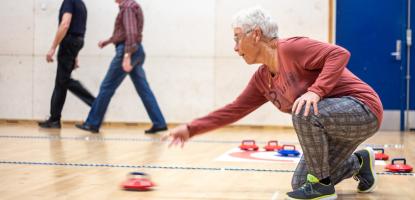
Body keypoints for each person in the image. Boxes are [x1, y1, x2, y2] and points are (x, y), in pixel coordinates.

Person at [162, 7, 383, 200]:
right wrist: (190, 129)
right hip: (330, 125)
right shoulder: (262, 79)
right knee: (300, 183)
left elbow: (338, 54)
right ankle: (359, 163)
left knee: (304, 112)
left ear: (256, 34)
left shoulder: (291, 48)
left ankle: (323, 187)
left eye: (237, 37)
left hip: (363, 109)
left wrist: (316, 91)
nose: (235, 47)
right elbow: (233, 110)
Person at [75, 0, 167, 134]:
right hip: (136, 50)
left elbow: (131, 33)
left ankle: (92, 123)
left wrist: (126, 56)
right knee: (144, 89)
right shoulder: (130, 6)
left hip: (128, 51)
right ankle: (159, 122)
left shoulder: (128, 8)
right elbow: (123, 33)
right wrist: (107, 42)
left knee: (107, 87)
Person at [39, 0, 95, 129]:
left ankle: (95, 103)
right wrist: (75, 55)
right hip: (76, 42)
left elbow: (65, 24)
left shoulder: (69, 1)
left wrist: (53, 47)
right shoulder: (81, 4)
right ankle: (54, 119)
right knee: (60, 82)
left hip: (69, 42)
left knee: (63, 80)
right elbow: (80, 29)